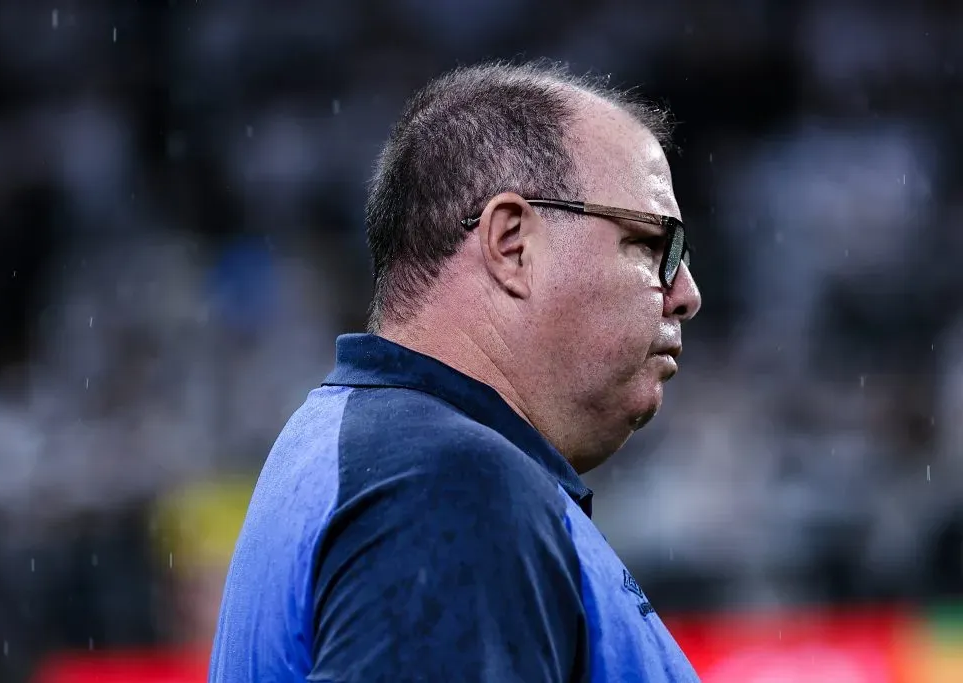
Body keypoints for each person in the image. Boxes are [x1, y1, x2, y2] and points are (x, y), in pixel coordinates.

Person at [210, 60, 702, 682]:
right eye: (653, 245)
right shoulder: (451, 484)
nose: (685, 292)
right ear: (512, 243)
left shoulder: (359, 448)